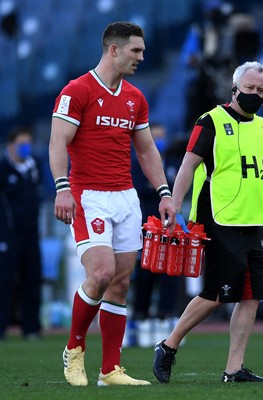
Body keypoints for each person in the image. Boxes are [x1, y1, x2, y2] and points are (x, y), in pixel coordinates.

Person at [153, 61, 263, 384]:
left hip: (249, 223)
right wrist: (175, 204)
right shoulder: (211, 122)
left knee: (250, 294)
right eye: (249, 88)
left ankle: (233, 370)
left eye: (260, 90)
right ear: (234, 89)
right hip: (217, 219)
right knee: (217, 293)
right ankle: (168, 346)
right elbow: (189, 165)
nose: (255, 94)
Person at [48, 21, 175, 387]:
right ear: (114, 50)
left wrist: (164, 192)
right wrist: (61, 188)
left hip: (125, 198)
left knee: (120, 284)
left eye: (143, 51)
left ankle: (110, 371)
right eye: (136, 51)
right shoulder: (77, 90)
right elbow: (58, 142)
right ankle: (73, 349)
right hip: (89, 196)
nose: (141, 57)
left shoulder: (135, 97)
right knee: (100, 274)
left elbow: (147, 149)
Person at [130, 123, 183, 347]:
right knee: (145, 273)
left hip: (168, 227)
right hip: (145, 225)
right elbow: (139, 189)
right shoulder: (136, 164)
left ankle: (166, 316)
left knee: (171, 271)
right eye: (155, 137)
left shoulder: (172, 163)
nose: (159, 141)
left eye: (162, 136)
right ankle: (139, 318)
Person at [0, 126, 42, 340]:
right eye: (21, 144)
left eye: (28, 143)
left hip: (31, 232)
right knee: (5, 280)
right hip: (8, 234)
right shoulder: (3, 169)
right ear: (10, 146)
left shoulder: (33, 167)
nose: (26, 148)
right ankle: (2, 327)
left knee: (32, 279)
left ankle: (31, 328)